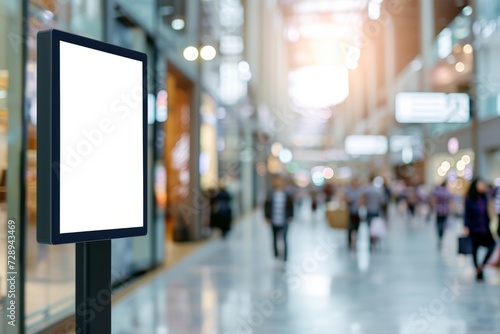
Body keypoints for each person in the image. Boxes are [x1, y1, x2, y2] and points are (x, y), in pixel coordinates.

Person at [464, 178, 496, 281]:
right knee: (475, 249)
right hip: (474, 228)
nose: (482, 186)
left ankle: (481, 266)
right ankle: (477, 269)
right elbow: (467, 214)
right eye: (480, 184)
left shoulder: (485, 197)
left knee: (492, 245)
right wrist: (466, 226)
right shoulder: (470, 199)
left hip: (485, 227)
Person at [264, 175, 294, 262]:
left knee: (284, 238)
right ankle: (276, 254)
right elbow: (266, 205)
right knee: (274, 237)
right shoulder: (270, 193)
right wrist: (266, 216)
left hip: (284, 219)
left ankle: (285, 256)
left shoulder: (287, 194)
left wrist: (291, 216)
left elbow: (291, 206)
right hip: (274, 219)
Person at [359, 176, 387, 250]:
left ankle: (371, 241)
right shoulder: (379, 191)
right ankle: (375, 241)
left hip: (369, 211)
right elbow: (382, 202)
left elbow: (362, 200)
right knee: (375, 227)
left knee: (370, 227)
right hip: (376, 211)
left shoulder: (366, 191)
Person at [431, 181, 452, 249]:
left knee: (438, 224)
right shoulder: (447, 192)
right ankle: (441, 235)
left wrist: (434, 206)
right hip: (445, 211)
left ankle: (439, 235)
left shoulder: (438, 191)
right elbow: (450, 202)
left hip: (438, 210)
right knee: (443, 224)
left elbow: (434, 200)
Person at [345, 178, 361, 250]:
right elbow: (346, 199)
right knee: (350, 227)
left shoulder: (359, 191)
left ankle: (355, 240)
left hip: (357, 212)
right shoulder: (348, 191)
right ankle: (349, 242)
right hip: (350, 212)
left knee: (357, 227)